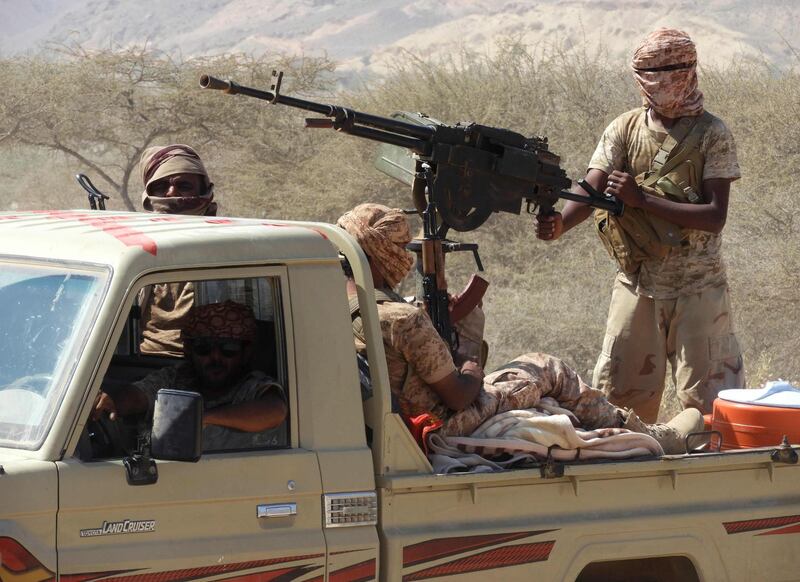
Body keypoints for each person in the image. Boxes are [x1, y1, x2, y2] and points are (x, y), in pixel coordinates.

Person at [338, 203, 702, 454]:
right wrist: (469, 368)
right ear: (382, 252)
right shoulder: (401, 319)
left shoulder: (328, 304)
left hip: (396, 422)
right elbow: (459, 397)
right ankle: (648, 435)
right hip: (445, 422)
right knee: (547, 368)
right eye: (401, 248)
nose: (406, 257)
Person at [535, 28, 744, 423]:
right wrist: (560, 224)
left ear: (688, 72)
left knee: (711, 408)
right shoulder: (625, 129)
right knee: (619, 404)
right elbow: (591, 186)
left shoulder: (712, 134)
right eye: (651, 72)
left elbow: (715, 216)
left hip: (699, 289)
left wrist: (642, 199)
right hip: (637, 284)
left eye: (670, 71)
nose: (661, 82)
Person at [93, 300, 287, 451]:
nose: (215, 358)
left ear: (245, 353)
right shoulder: (177, 378)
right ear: (189, 350)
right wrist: (113, 404)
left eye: (228, 349)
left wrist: (204, 418)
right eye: (204, 348)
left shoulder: (253, 386)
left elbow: (275, 411)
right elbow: (139, 394)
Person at [137, 144, 218, 356]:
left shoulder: (224, 247)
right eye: (161, 186)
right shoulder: (137, 250)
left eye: (184, 186)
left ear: (203, 191)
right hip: (141, 361)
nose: (171, 193)